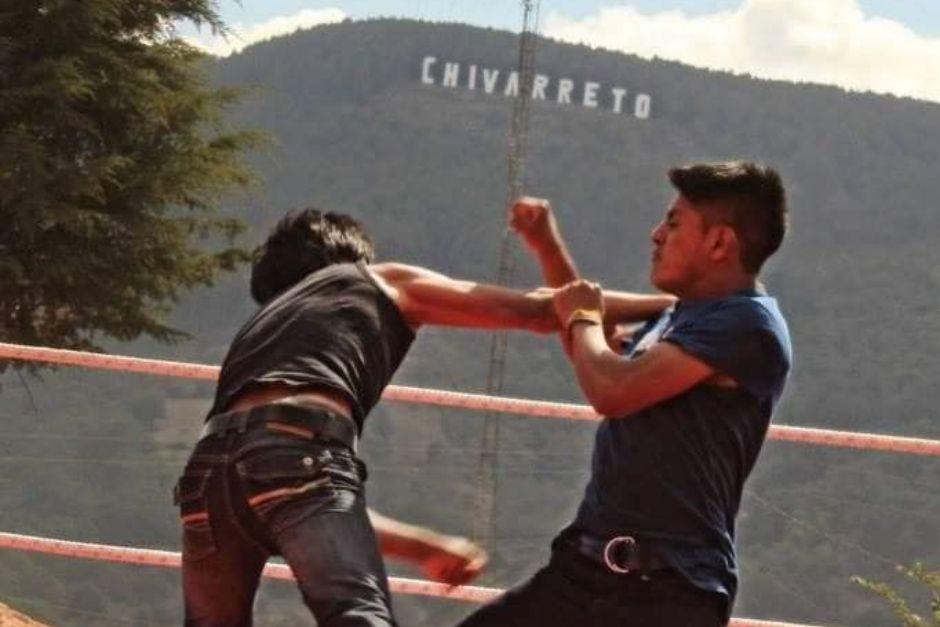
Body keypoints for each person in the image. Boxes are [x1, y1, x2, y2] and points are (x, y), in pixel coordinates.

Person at [174, 208, 561, 626]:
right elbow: (300, 486)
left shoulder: (257, 341)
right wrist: (636, 311)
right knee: (357, 614)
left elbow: (297, 504)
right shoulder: (366, 282)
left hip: (206, 473)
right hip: (296, 451)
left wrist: (422, 546)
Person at [457, 161, 792, 627]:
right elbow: (595, 353)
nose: (656, 235)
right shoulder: (683, 315)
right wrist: (548, 248)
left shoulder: (746, 325)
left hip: (668, 590)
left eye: (673, 224)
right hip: (582, 569)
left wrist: (582, 315)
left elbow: (611, 389)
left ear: (719, 243)